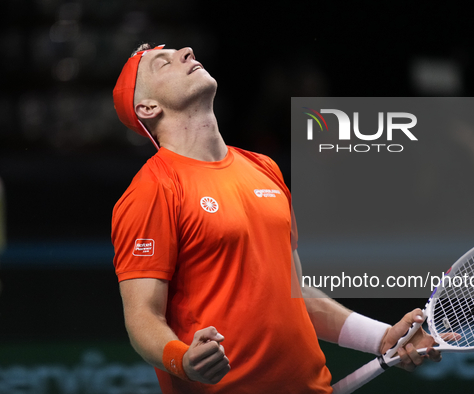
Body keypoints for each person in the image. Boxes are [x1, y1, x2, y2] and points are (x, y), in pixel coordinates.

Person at [111, 43, 442, 394]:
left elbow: (296, 294)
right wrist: (183, 360)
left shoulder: (263, 168)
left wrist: (382, 337)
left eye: (182, 51)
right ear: (148, 107)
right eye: (163, 64)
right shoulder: (152, 189)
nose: (187, 52)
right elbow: (142, 318)